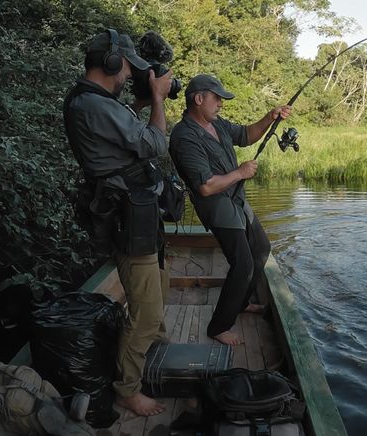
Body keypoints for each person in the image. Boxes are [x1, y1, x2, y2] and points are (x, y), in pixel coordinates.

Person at [62, 29, 172, 416]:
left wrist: (141, 106)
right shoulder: (93, 105)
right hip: (128, 218)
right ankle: (127, 388)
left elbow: (122, 140)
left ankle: (151, 352)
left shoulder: (94, 102)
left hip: (134, 214)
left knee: (157, 288)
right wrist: (157, 98)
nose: (129, 76)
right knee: (146, 312)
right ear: (113, 62)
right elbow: (156, 144)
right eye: (128, 68)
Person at [169, 74, 291, 346]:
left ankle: (243, 302)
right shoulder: (184, 137)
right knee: (243, 264)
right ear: (199, 99)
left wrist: (271, 117)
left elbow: (247, 135)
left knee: (260, 249)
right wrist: (240, 172)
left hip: (237, 200)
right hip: (217, 206)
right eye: (217, 98)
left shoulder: (218, 124)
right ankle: (219, 326)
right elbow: (206, 187)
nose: (221, 104)